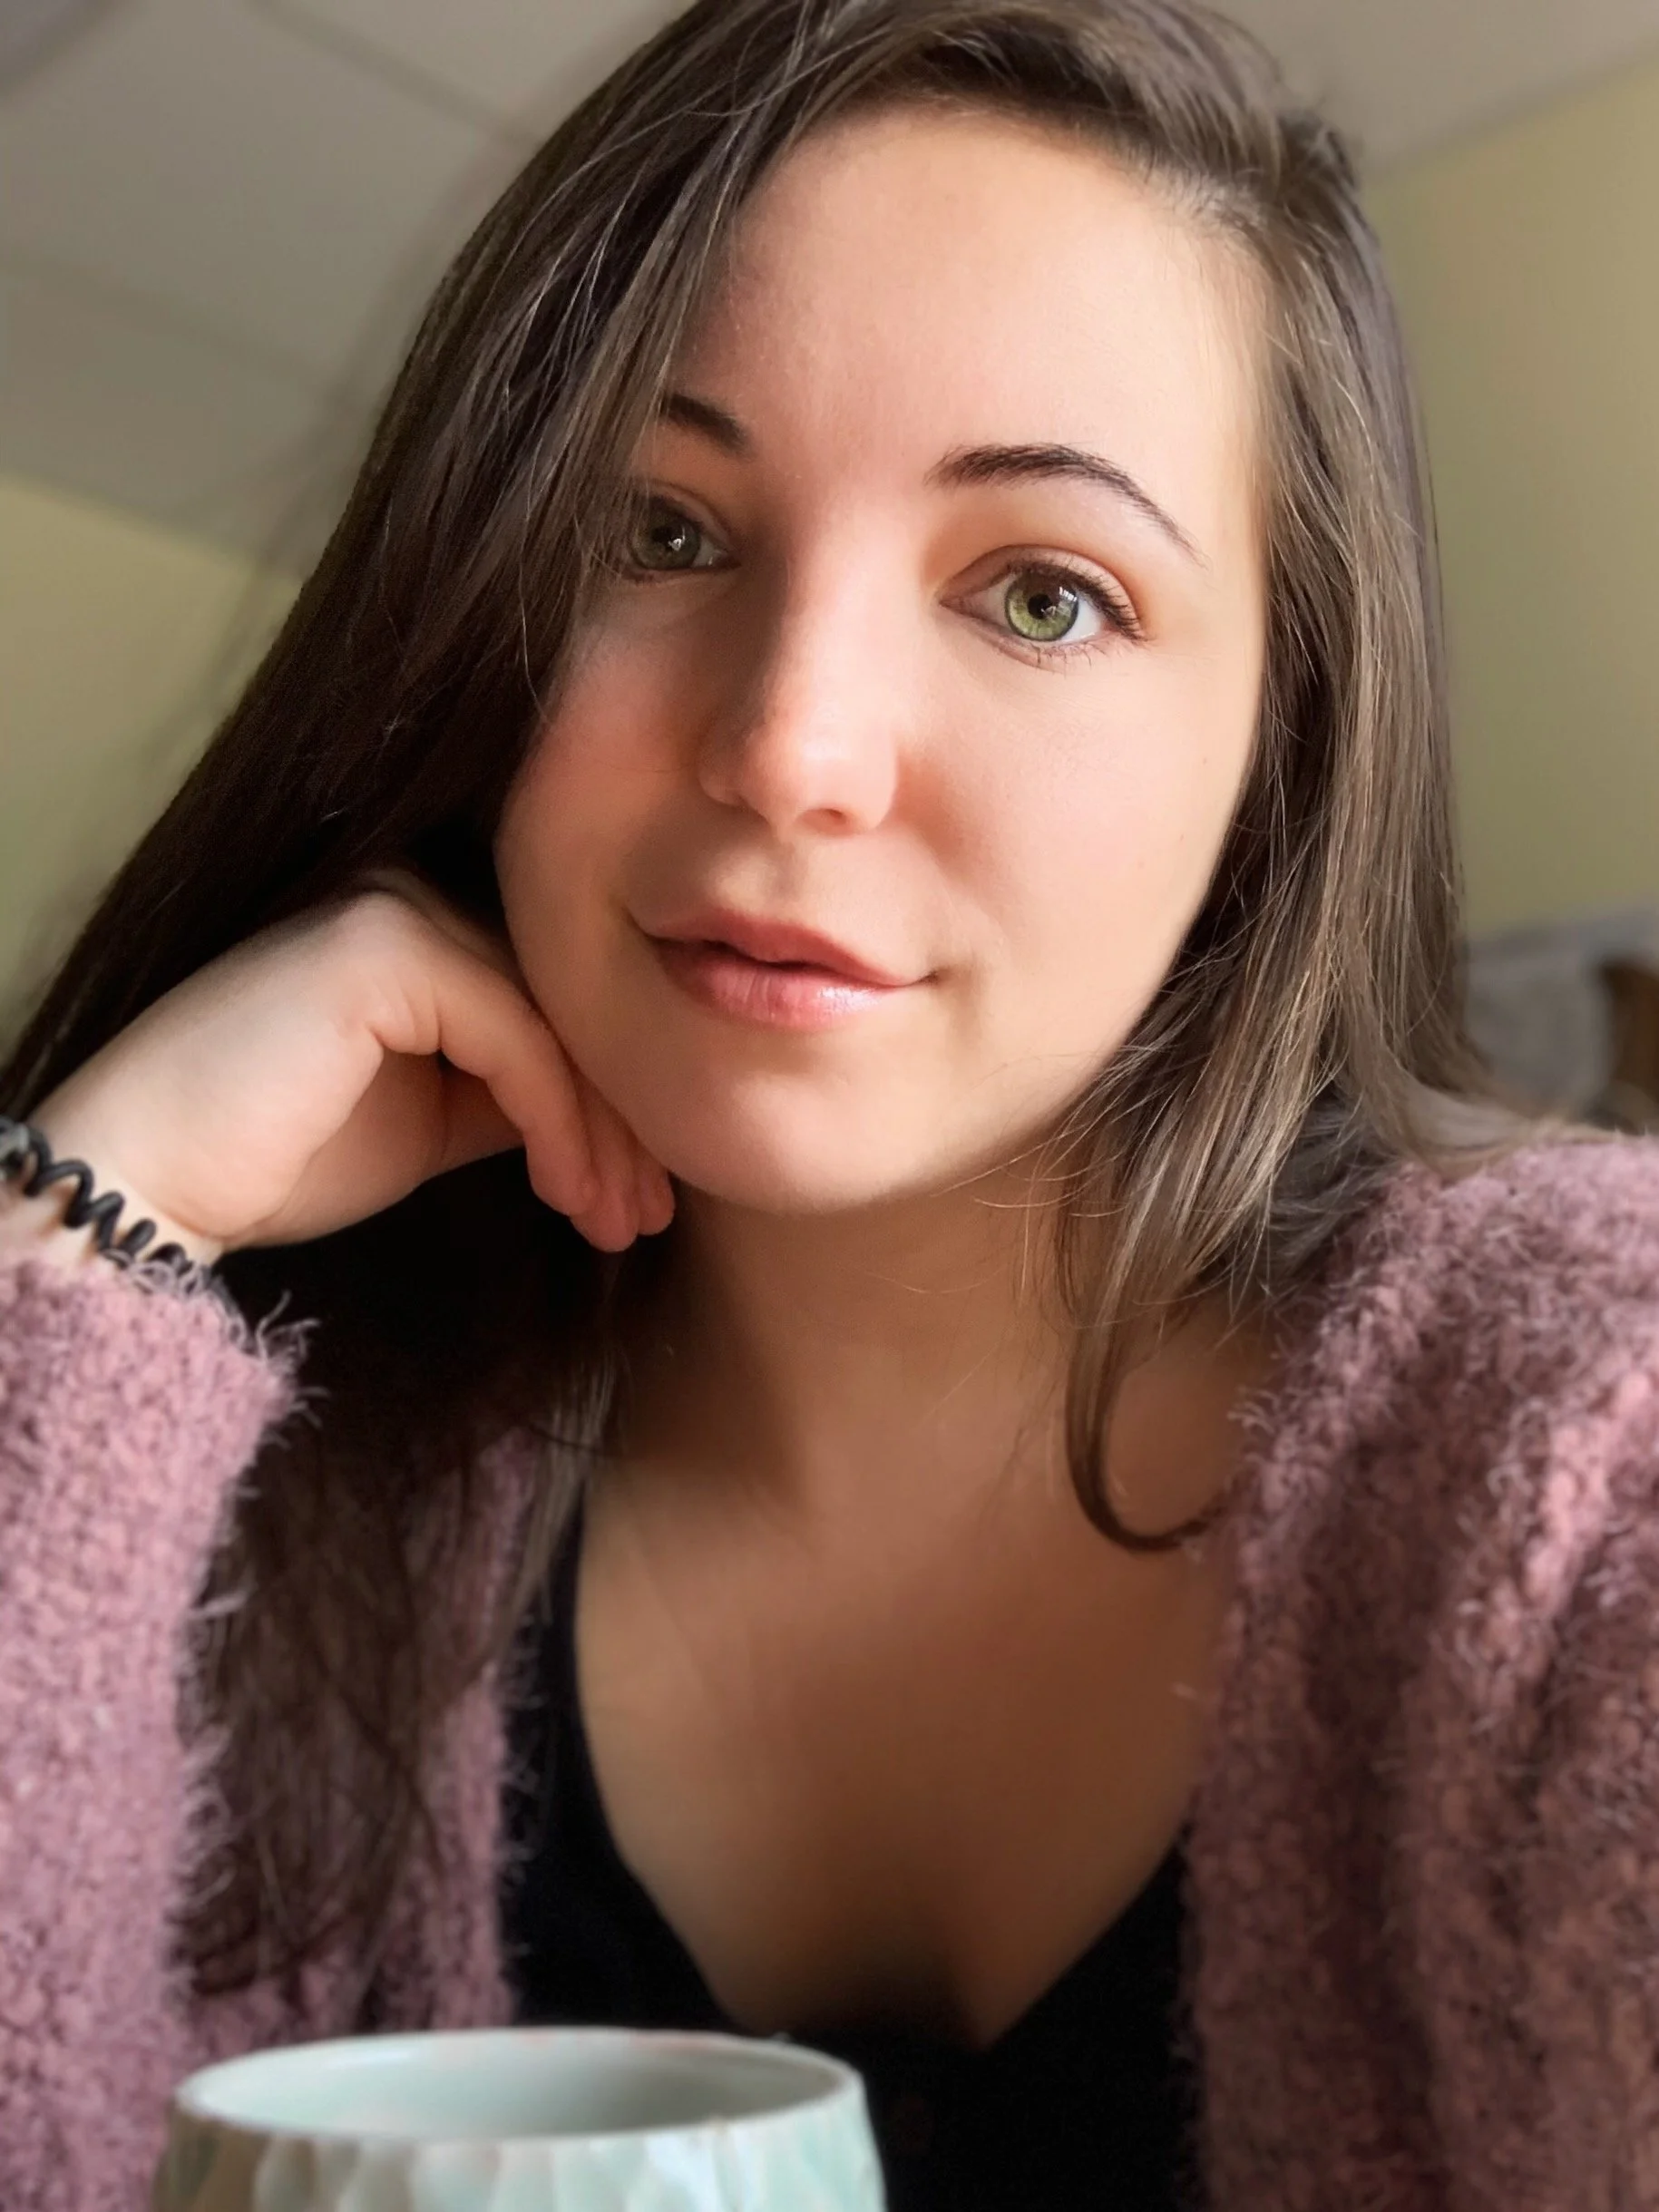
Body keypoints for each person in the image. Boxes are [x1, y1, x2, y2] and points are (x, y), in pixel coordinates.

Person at [1, 0, 1655, 2205]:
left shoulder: (1583, 1423)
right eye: (660, 533)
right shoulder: (274, 1484)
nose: (789, 744)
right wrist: (71, 1233)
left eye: (1041, 594)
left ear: (1276, 757)